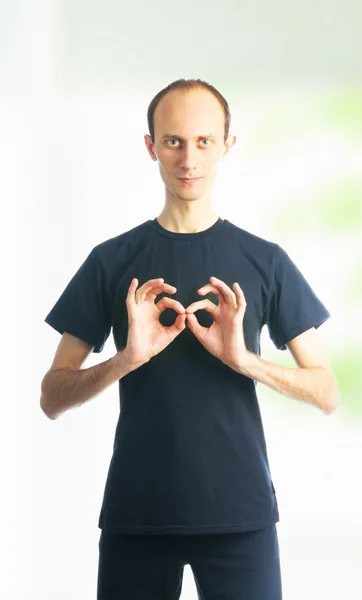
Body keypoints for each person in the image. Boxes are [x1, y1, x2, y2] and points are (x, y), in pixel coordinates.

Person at [41, 78, 340, 599]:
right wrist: (126, 360)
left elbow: (327, 392)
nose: (188, 158)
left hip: (239, 515)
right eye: (174, 141)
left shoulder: (265, 261)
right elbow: (51, 397)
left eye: (204, 141)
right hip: (137, 516)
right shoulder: (111, 262)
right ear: (150, 146)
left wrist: (244, 359)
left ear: (227, 145)